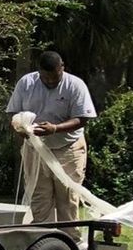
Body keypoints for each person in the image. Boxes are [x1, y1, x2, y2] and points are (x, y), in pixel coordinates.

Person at [7, 50, 98, 226]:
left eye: (54, 77)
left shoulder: (75, 85)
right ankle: (43, 237)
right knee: (39, 197)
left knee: (67, 197)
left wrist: (55, 128)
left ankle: (69, 238)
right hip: (35, 148)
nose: (50, 81)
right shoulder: (26, 83)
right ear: (39, 71)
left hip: (67, 148)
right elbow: (13, 112)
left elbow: (82, 118)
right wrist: (19, 127)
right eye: (45, 77)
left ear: (62, 67)